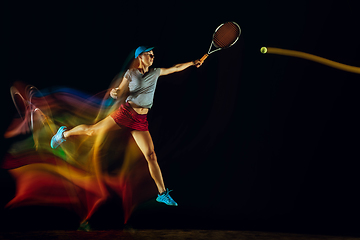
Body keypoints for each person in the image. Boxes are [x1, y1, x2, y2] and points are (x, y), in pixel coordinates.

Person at [51, 46, 202, 208]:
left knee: (151, 155)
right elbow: (119, 91)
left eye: (153, 54)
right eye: (148, 54)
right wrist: (114, 93)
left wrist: (193, 63)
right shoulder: (130, 74)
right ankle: (64, 134)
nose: (152, 56)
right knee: (92, 131)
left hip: (140, 120)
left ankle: (162, 193)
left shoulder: (155, 72)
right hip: (125, 114)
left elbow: (175, 68)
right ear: (140, 57)